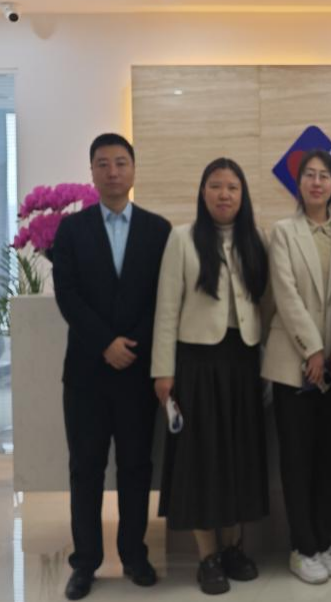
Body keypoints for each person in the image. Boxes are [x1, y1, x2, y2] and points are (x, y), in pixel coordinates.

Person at [51, 133, 172, 600]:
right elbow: (68, 295)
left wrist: (130, 344)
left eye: (121, 162)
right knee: (86, 469)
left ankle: (135, 555)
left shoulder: (158, 231)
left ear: (133, 169)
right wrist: (105, 343)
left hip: (137, 372)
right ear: (92, 172)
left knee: (136, 467)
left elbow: (163, 297)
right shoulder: (71, 230)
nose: (113, 171)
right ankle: (85, 563)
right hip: (86, 373)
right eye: (103, 164)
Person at [151, 157, 271, 596]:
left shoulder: (255, 240)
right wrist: (163, 372)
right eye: (216, 186)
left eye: (232, 187)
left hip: (243, 363)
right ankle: (208, 556)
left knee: (239, 456)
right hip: (198, 365)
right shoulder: (182, 239)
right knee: (203, 460)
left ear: (243, 195)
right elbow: (167, 309)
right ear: (203, 193)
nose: (224, 194)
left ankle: (235, 548)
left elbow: (265, 306)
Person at [261, 150, 331, 585]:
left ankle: (323, 539)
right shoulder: (282, 232)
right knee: (297, 460)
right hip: (293, 364)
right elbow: (285, 294)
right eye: (310, 176)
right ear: (299, 184)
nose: (317, 183)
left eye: (324, 176)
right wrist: (313, 349)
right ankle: (302, 547)